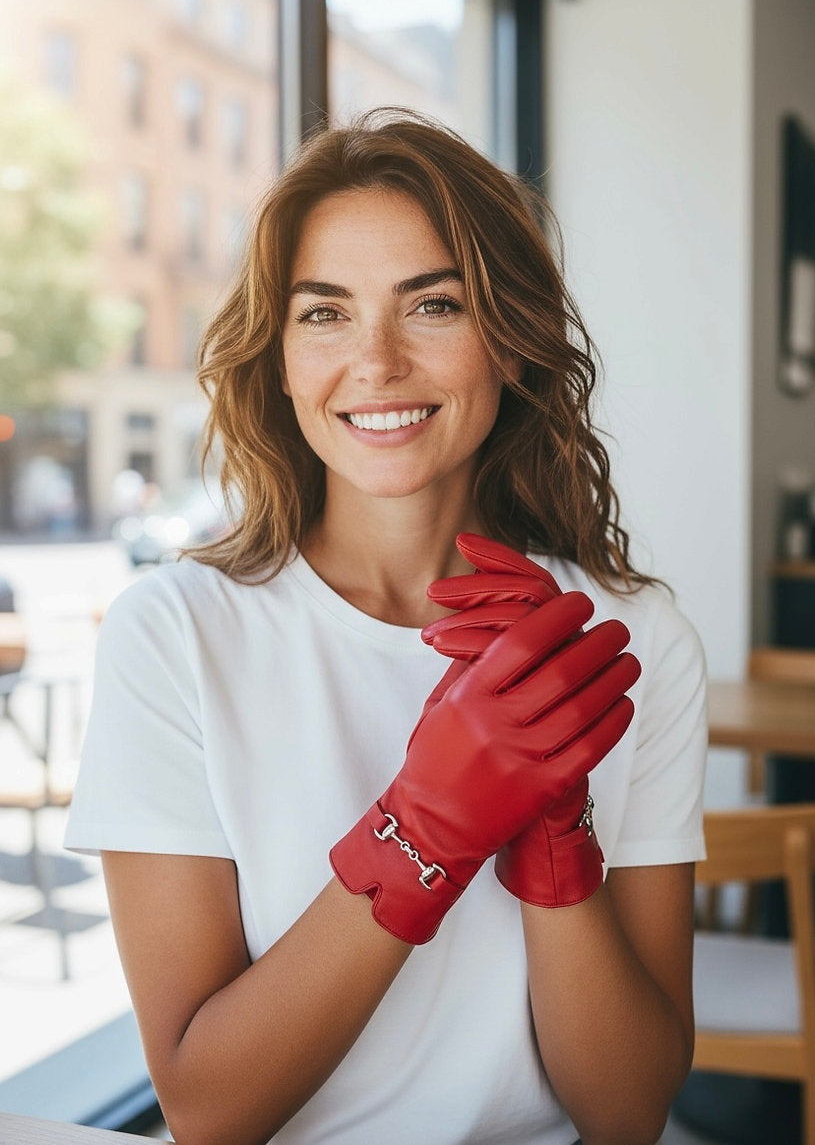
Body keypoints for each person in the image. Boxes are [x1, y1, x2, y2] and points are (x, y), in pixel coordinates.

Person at [65, 108, 708, 1145]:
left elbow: (627, 1112)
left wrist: (557, 834)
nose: (375, 360)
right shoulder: (175, 636)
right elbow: (205, 1110)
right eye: (324, 313)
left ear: (510, 342)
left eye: (433, 305)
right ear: (279, 357)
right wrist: (427, 828)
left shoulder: (629, 639)